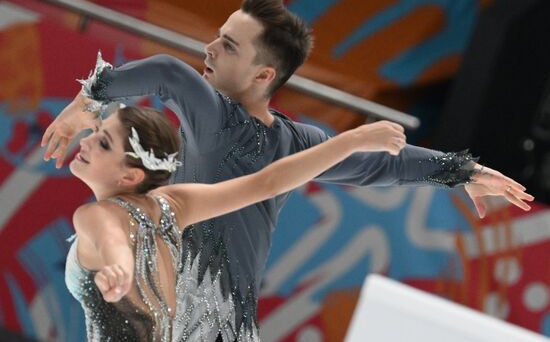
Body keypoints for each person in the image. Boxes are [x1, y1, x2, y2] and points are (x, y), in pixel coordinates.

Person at [43, 0, 532, 341]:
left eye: (229, 45)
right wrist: (87, 103)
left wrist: (462, 171)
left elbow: (381, 164)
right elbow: (170, 74)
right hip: (180, 311)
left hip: (224, 322)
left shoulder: (286, 137)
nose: (209, 49)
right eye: (218, 36)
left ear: (263, 75)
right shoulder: (255, 129)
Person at [66, 104, 409, 340]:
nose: (86, 141)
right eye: (98, 133)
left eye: (103, 142)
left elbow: (113, 240)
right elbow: (267, 183)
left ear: (131, 175)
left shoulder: (96, 215)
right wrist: (353, 140)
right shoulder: (172, 204)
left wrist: (120, 270)